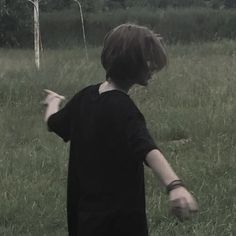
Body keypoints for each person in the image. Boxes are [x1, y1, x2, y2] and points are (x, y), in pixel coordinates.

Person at [43, 23, 198, 236]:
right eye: (149, 61)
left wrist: (53, 101)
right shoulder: (123, 108)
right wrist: (175, 185)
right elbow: (147, 149)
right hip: (120, 222)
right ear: (133, 64)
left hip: (85, 219)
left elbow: (53, 123)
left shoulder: (85, 97)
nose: (153, 67)